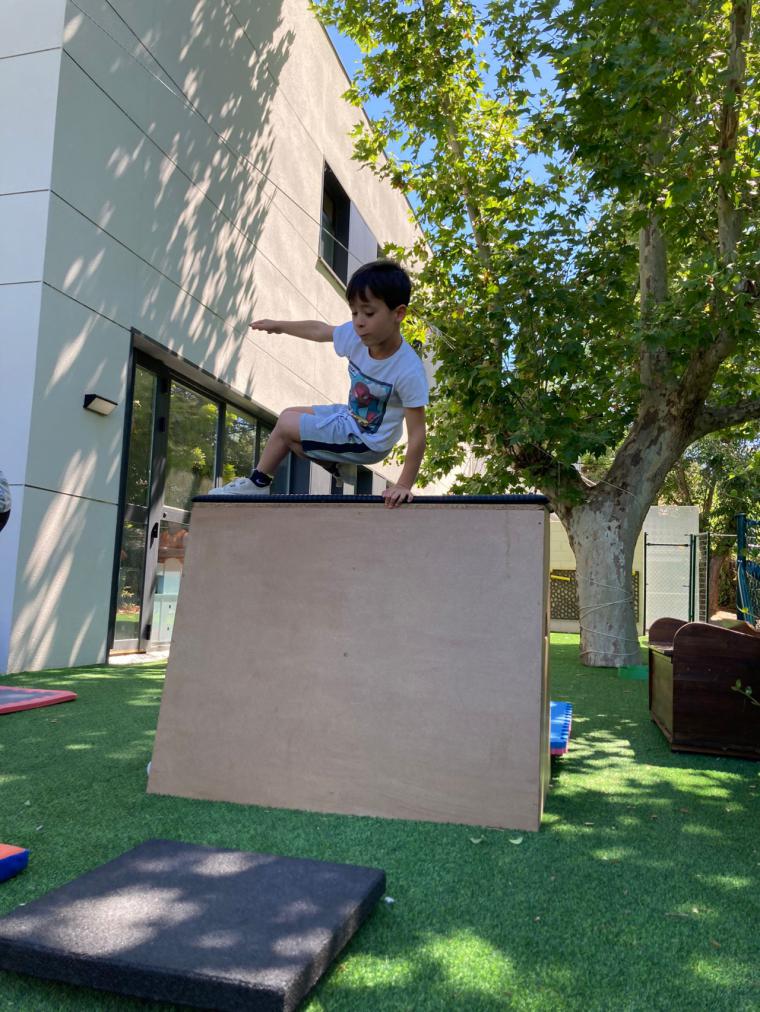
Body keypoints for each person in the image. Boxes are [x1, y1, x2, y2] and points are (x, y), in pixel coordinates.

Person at [211, 259, 428, 508]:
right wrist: (279, 326)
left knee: (287, 427)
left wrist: (403, 485)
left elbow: (417, 435)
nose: (359, 322)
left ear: (398, 314)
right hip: (349, 417)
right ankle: (335, 464)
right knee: (288, 417)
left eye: (368, 313)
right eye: (354, 313)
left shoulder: (408, 370)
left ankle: (258, 484)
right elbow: (319, 330)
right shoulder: (355, 335)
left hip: (370, 441)